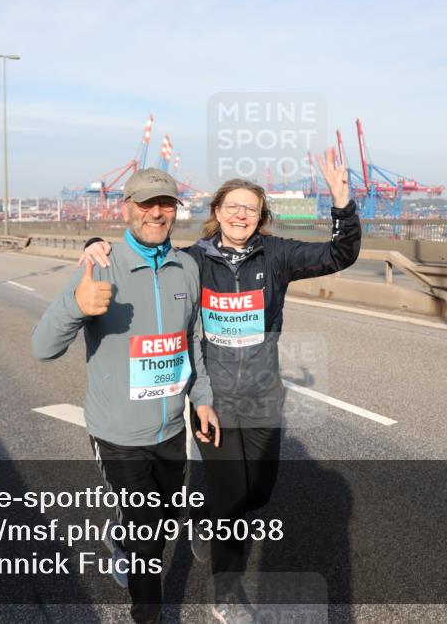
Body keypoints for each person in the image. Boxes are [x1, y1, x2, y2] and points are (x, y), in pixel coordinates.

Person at [79, 149, 360, 622]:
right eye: (232, 206)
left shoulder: (279, 255)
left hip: (263, 396)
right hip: (214, 398)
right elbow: (145, 251)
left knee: (258, 493)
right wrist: (92, 242)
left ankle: (205, 518)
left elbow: (339, 253)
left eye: (250, 208)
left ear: (261, 217)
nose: (241, 214)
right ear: (216, 213)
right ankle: (225, 594)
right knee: (232, 497)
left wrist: (341, 203)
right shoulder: (194, 260)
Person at [32, 168, 221, 624]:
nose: (156, 213)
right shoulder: (100, 264)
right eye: (145, 204)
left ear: (176, 209)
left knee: (163, 515)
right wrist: (76, 306)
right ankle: (147, 614)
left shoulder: (187, 267)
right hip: (116, 432)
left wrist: (202, 398)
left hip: (171, 428)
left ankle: (119, 533)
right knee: (147, 535)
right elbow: (43, 348)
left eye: (166, 204)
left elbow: (190, 341)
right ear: (127, 208)